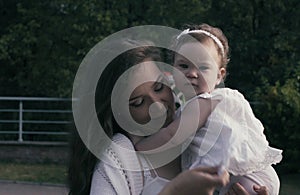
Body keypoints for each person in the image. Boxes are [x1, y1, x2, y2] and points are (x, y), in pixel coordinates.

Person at [68, 39, 230, 195]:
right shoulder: (120, 157)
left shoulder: (201, 127)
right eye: (138, 102)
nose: (157, 107)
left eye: (159, 87)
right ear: (117, 112)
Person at [134, 24, 282, 195]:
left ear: (219, 75)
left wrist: (140, 147)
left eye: (202, 67)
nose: (191, 73)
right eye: (183, 66)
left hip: (249, 178)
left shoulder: (203, 103)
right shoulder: (196, 103)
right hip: (247, 177)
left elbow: (171, 137)